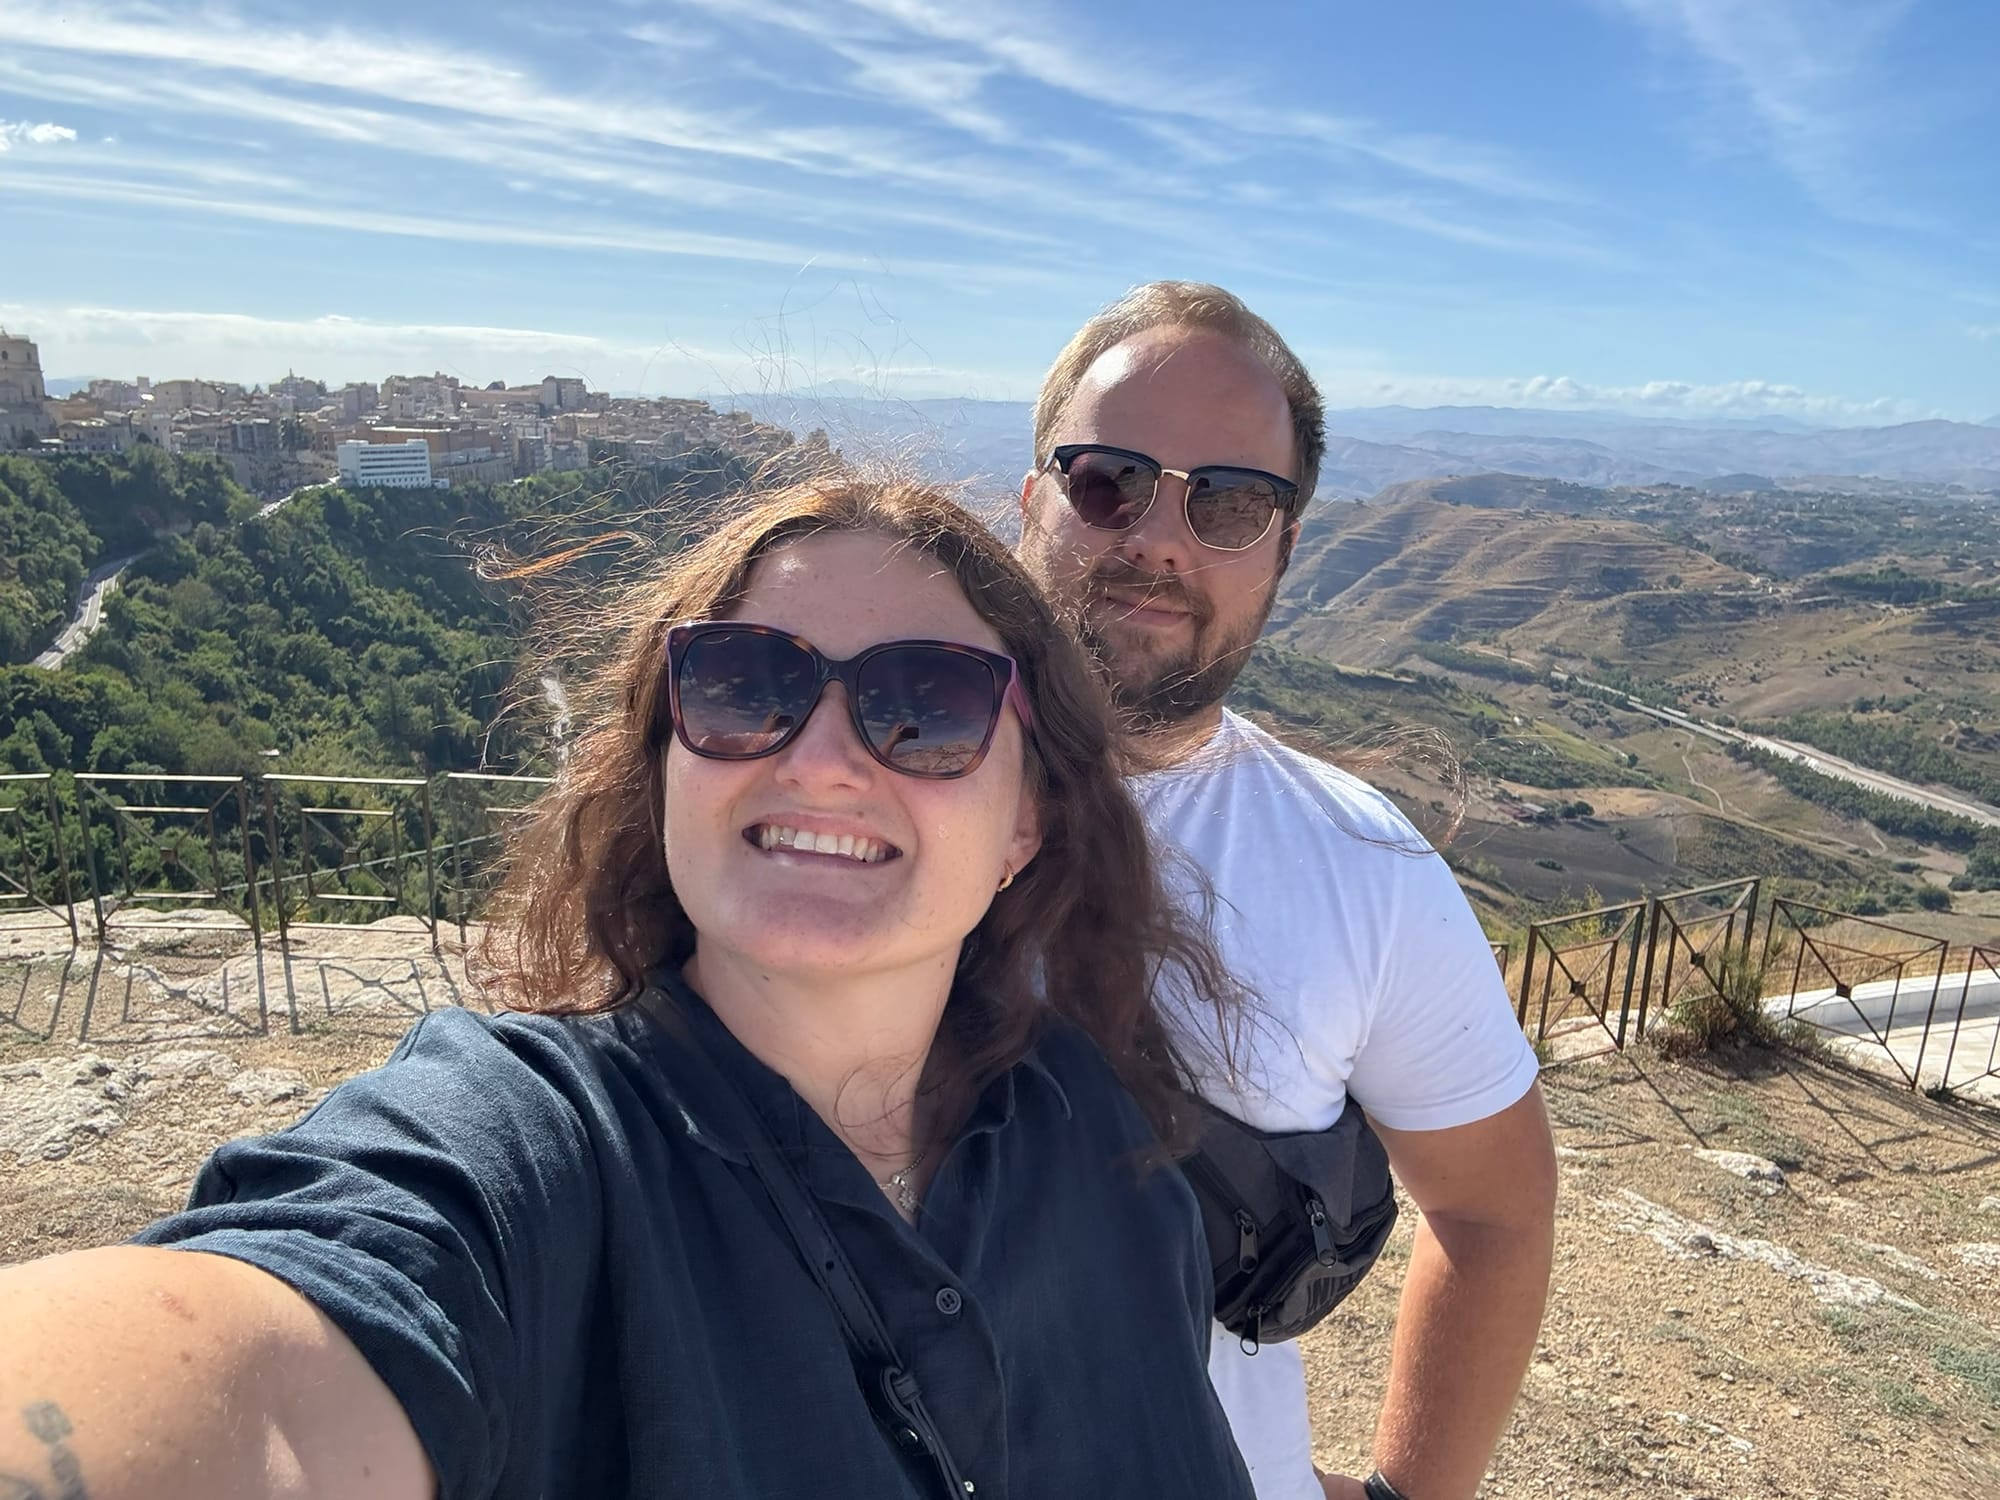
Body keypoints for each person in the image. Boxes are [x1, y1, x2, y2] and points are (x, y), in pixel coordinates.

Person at [0, 476, 1257, 1500]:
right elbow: (267, 1362)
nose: (820, 761)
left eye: (924, 706)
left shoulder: (1092, 1129)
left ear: (1026, 820)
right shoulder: (532, 1156)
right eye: (745, 686)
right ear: (664, 766)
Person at [1018, 282, 1558, 1500]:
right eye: (1109, 481)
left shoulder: (1361, 864)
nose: (1161, 538)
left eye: (1227, 502)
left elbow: (1495, 1211)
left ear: (1283, 549)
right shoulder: (848, 781)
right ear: (1031, 498)